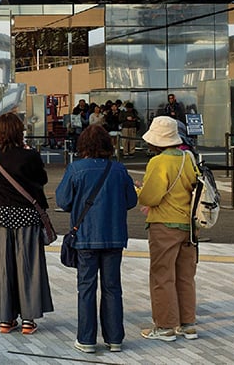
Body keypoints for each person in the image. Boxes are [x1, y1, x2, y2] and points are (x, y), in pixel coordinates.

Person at [56, 124, 138, 353]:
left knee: (86, 288)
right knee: (113, 287)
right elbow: (131, 200)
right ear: (107, 145)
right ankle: (114, 339)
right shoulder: (119, 169)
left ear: (83, 145)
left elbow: (62, 201)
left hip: (85, 236)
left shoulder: (75, 169)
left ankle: (86, 339)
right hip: (114, 236)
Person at [0, 111, 53, 336]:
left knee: (3, 266)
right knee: (27, 265)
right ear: (21, 132)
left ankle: (6, 318)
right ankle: (28, 320)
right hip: (26, 215)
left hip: (0, 215)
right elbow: (42, 179)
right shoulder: (30, 156)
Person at [134, 115, 199, 341]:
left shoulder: (159, 162)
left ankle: (165, 326)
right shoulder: (187, 158)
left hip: (164, 225)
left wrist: (138, 191)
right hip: (188, 225)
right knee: (185, 276)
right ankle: (188, 323)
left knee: (162, 276)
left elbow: (150, 197)